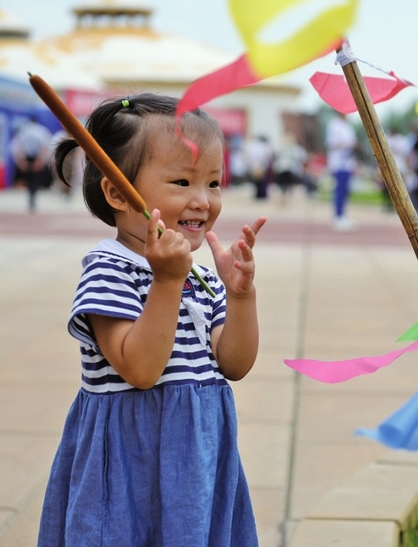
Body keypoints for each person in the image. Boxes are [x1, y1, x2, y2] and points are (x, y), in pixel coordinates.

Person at [37, 94, 266, 547]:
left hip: (196, 462)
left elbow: (235, 364)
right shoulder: (109, 268)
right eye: (182, 181)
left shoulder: (200, 275)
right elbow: (140, 370)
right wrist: (166, 281)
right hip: (129, 460)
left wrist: (240, 297)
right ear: (118, 192)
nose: (202, 200)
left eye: (214, 183)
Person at [10, 115, 53, 212]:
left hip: (27, 157)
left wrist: (21, 161)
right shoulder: (42, 131)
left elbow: (17, 147)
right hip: (36, 157)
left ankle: (31, 197)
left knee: (29, 180)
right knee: (35, 180)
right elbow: (45, 147)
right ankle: (32, 196)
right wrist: (41, 160)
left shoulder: (23, 131)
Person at [325, 111, 358, 230]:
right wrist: (347, 144)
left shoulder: (348, 126)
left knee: (345, 191)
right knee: (339, 190)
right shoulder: (334, 125)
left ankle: (342, 214)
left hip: (348, 162)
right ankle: (337, 216)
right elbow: (331, 143)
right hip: (338, 162)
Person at [272, 132, 308, 205]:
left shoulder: (291, 148)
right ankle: (285, 198)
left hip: (286, 168)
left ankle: (285, 198)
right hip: (286, 168)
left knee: (285, 184)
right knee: (286, 184)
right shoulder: (294, 148)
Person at [243, 135, 273, 200]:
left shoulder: (251, 145)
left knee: (256, 181)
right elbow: (268, 156)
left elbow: (247, 156)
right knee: (262, 181)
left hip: (254, 165)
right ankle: (262, 194)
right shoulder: (264, 146)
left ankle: (258, 194)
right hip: (262, 165)